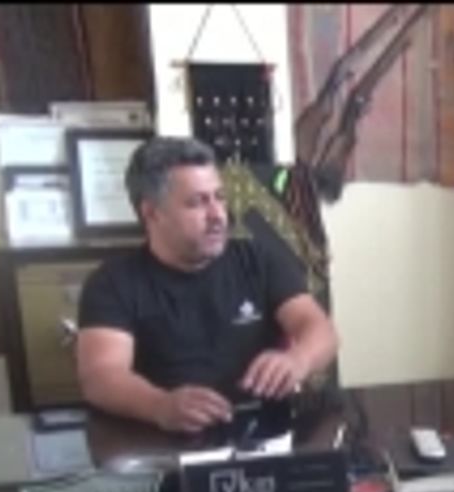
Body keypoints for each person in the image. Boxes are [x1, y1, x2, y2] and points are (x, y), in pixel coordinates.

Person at [76, 136, 339, 434]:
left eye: (219, 197)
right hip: (161, 437)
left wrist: (298, 360)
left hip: (259, 432)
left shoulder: (258, 260)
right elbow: (101, 377)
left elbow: (320, 330)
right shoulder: (112, 283)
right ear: (151, 213)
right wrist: (159, 405)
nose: (217, 215)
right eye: (197, 202)